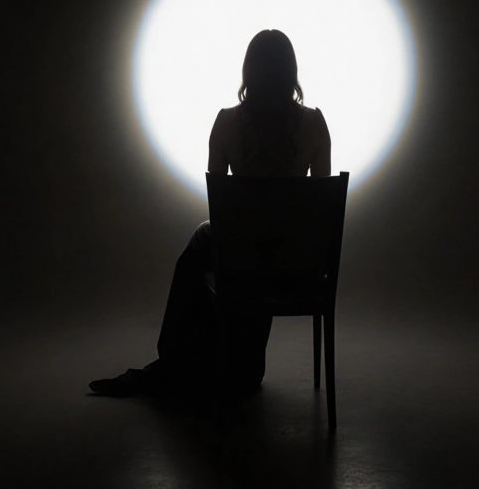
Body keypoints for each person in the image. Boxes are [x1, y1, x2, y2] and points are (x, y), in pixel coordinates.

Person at [89, 29, 331, 397]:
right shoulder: (314, 124)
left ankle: (171, 361)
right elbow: (318, 205)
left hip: (241, 261)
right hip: (293, 264)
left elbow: (220, 206)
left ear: (248, 72)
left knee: (201, 243)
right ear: (291, 72)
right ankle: (217, 361)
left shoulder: (227, 123)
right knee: (219, 246)